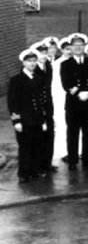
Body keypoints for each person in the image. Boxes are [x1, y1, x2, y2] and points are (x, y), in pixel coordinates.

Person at [8, 49, 50, 183]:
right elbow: (12, 102)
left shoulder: (39, 78)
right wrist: (17, 121)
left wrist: (43, 120)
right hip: (24, 119)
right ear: (23, 62)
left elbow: (41, 101)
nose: (32, 64)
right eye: (29, 61)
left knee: (37, 145)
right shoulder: (16, 80)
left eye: (34, 61)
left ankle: (35, 170)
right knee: (25, 147)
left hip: (37, 118)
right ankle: (24, 173)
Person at [60, 34, 88, 170]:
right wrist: (79, 93)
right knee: (73, 132)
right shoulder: (65, 64)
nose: (78, 47)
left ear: (84, 47)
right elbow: (66, 83)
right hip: (73, 103)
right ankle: (72, 160)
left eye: (81, 45)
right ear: (71, 47)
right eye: (75, 45)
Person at [31, 41, 57, 173]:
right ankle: (38, 166)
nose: (43, 55)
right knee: (38, 137)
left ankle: (47, 163)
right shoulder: (32, 68)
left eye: (45, 53)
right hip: (37, 107)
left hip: (48, 106)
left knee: (49, 135)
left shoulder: (48, 65)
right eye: (41, 53)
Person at [51, 37, 72, 164]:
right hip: (61, 98)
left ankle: (75, 150)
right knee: (63, 125)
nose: (69, 52)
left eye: (71, 49)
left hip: (74, 99)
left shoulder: (76, 62)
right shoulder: (57, 65)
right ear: (62, 50)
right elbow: (56, 85)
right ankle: (63, 151)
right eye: (66, 49)